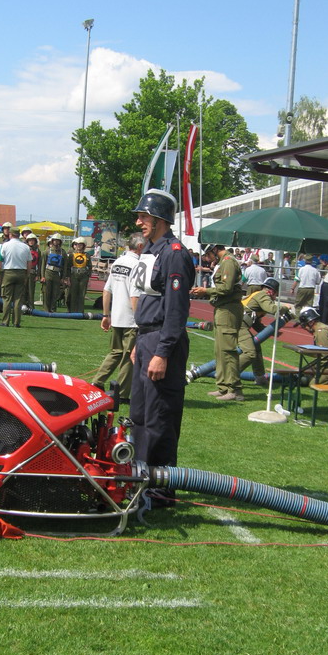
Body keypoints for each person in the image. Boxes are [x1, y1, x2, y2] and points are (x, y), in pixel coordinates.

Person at [129, 189, 194, 479]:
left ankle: (159, 490)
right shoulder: (151, 250)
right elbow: (148, 299)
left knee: (160, 419)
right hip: (147, 339)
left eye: (144, 217)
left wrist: (162, 351)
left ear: (160, 219)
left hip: (160, 341)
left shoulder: (174, 254)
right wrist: (139, 341)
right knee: (139, 415)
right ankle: (140, 480)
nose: (138, 222)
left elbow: (176, 309)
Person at [91, 232, 145, 401]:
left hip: (117, 316)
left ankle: (97, 381)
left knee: (115, 352)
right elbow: (135, 296)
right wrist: (140, 320)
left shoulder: (117, 262)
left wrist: (106, 314)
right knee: (129, 356)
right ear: (140, 247)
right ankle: (121, 394)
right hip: (131, 318)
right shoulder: (138, 265)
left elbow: (107, 290)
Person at [192, 244, 244, 401]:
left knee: (228, 350)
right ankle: (223, 386)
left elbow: (226, 288)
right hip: (223, 309)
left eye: (208, 254)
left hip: (228, 310)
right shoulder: (224, 262)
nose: (208, 259)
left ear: (215, 250)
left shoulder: (228, 262)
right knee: (220, 351)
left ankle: (234, 388)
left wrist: (205, 291)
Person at [238, 278, 293, 386]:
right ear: (272, 291)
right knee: (250, 353)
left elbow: (255, 322)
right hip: (238, 324)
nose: (275, 297)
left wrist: (269, 332)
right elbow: (273, 309)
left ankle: (260, 377)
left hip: (239, 323)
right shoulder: (263, 295)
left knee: (256, 348)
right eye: (276, 294)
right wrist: (285, 308)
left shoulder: (259, 295)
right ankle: (230, 375)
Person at [0, 227, 31, 327]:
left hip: (8, 272)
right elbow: (29, 263)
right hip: (21, 272)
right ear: (19, 235)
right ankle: (16, 322)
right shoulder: (26, 247)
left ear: (10, 234)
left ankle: (5, 321)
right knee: (18, 299)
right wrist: (27, 275)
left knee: (7, 298)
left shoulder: (5, 245)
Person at [41, 233, 67, 312]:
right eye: (55, 240)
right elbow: (43, 265)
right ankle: (46, 309)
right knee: (46, 292)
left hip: (57, 274)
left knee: (55, 293)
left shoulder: (63, 253)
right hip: (48, 272)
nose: (56, 242)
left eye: (58, 241)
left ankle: (53, 309)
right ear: (52, 241)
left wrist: (63, 278)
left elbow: (65, 266)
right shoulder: (47, 251)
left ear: (60, 242)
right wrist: (42, 276)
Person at [67, 236, 92, 313]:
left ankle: (80, 311)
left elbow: (90, 266)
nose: (78, 246)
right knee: (73, 293)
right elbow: (68, 267)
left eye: (80, 245)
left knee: (82, 294)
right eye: (77, 244)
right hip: (74, 275)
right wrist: (68, 278)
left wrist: (88, 276)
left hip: (84, 276)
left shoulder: (87, 255)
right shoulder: (72, 255)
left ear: (83, 246)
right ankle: (72, 311)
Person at [23, 232, 42, 309]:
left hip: (33, 273)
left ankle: (31, 307)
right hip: (24, 272)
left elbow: (39, 264)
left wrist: (38, 275)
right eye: (29, 240)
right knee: (23, 290)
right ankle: (23, 306)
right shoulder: (24, 249)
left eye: (32, 240)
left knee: (31, 291)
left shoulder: (38, 251)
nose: (31, 242)